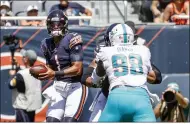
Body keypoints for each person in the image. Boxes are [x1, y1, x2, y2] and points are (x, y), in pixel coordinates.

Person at [82, 22, 162, 122]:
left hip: (116, 97)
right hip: (132, 97)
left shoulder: (106, 52)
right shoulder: (143, 51)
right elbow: (86, 78)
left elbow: (156, 77)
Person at [38, 10, 88, 122]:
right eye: (52, 24)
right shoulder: (46, 44)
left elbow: (77, 69)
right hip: (59, 87)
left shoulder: (72, 38)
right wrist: (42, 73)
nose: (55, 27)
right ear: (48, 25)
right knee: (51, 120)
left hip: (75, 86)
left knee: (68, 121)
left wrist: (54, 73)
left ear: (64, 24)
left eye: (59, 24)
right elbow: (50, 70)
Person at [9, 49, 42, 122]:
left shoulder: (21, 74)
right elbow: (25, 79)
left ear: (26, 59)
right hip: (32, 107)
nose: (22, 58)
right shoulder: (37, 72)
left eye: (24, 57)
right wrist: (18, 68)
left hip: (22, 107)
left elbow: (11, 85)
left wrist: (12, 75)